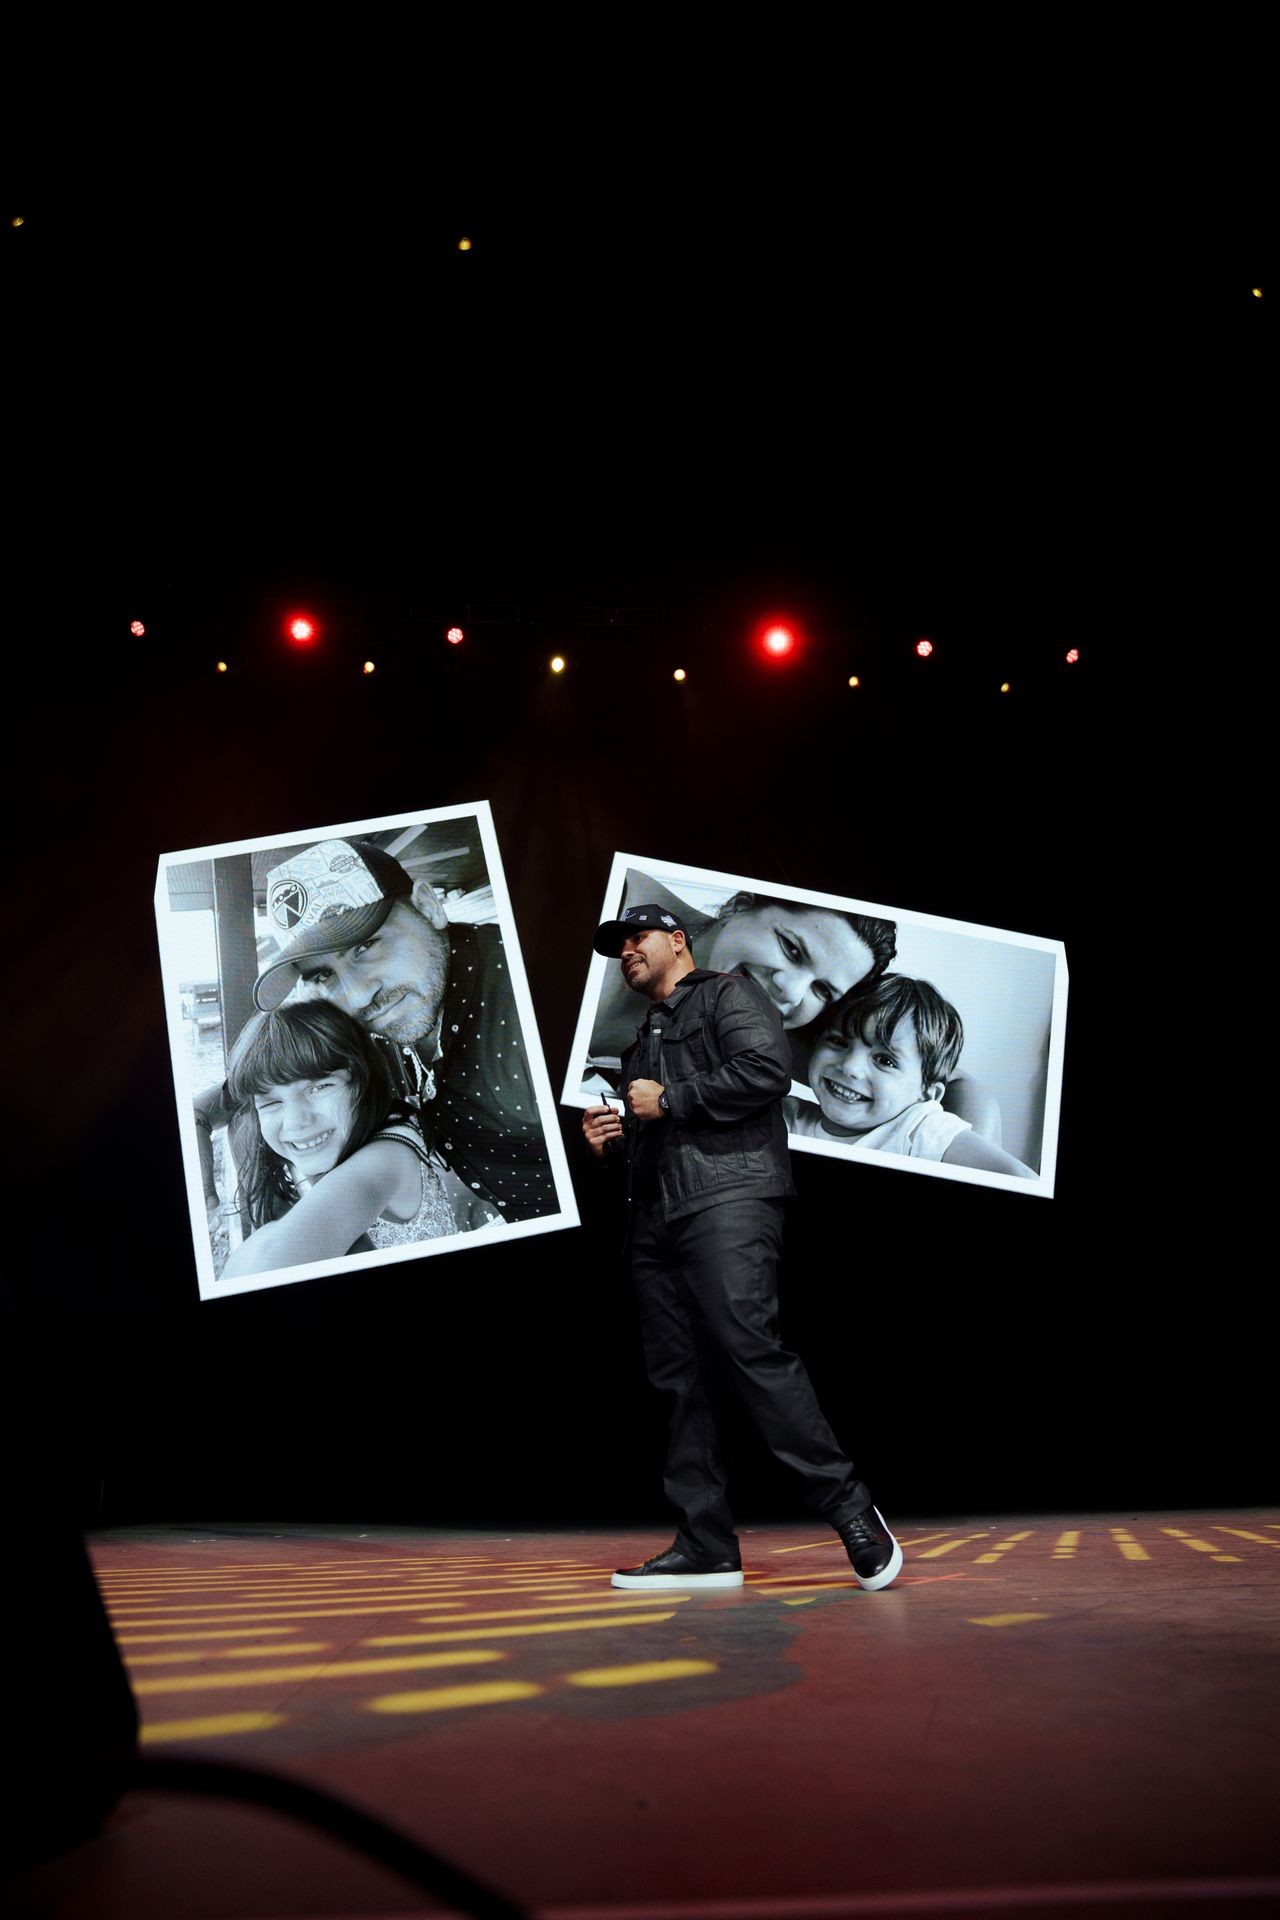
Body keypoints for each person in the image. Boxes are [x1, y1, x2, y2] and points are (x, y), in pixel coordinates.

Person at [581, 902, 902, 1593]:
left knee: (748, 1347)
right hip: (657, 1217)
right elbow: (659, 1126)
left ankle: (852, 1510)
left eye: (638, 938)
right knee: (677, 1379)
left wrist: (666, 1103)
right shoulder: (640, 1044)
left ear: (678, 940)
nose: (627, 951)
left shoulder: (731, 991)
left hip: (728, 1197)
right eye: (621, 944)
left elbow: (762, 1071)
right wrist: (614, 1142)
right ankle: (705, 1544)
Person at [196, 838, 556, 1227]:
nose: (358, 996)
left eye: (366, 945)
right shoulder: (370, 1027)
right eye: (324, 974)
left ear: (428, 906)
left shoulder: (524, 996)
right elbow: (219, 1102)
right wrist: (202, 1161)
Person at [220, 1002, 501, 1280]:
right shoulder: (352, 1135)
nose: (295, 1122)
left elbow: (269, 1262)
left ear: (362, 1081)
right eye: (270, 1103)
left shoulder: (388, 1157)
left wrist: (267, 1238)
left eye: (319, 1087)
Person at [784, 974, 1036, 1177]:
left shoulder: (921, 1131)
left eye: (885, 1060)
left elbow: (1020, 1178)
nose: (850, 1067)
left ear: (928, 1094)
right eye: (838, 1041)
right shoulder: (784, 1114)